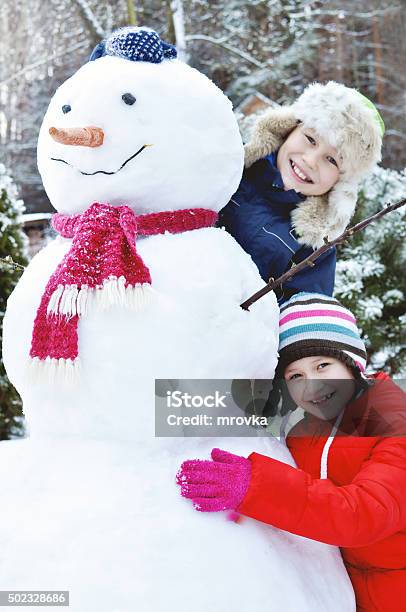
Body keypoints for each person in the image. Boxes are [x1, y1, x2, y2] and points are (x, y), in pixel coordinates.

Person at [177, 293, 406, 612]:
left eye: (323, 365)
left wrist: (255, 485)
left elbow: (362, 514)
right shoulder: (308, 415)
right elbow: (232, 404)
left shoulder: (394, 423)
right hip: (351, 593)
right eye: (295, 376)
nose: (311, 386)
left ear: (353, 364)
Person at [219, 82, 385, 302]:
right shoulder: (229, 166)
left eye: (332, 160)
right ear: (290, 128)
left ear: (341, 181)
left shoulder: (314, 248)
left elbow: (300, 312)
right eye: (310, 139)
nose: (310, 160)